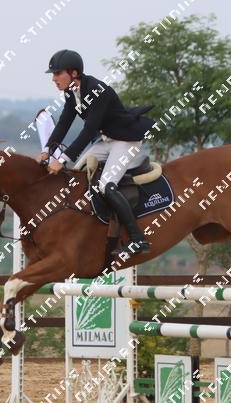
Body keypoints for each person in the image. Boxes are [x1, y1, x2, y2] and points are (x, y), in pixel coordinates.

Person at [36, 49, 154, 256]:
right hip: (106, 140)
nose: (53, 78)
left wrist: (61, 160)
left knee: (106, 185)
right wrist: (47, 150)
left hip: (125, 140)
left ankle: (138, 239)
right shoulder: (71, 91)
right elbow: (64, 123)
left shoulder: (97, 90)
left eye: (57, 73)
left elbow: (89, 130)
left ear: (73, 73)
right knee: (79, 173)